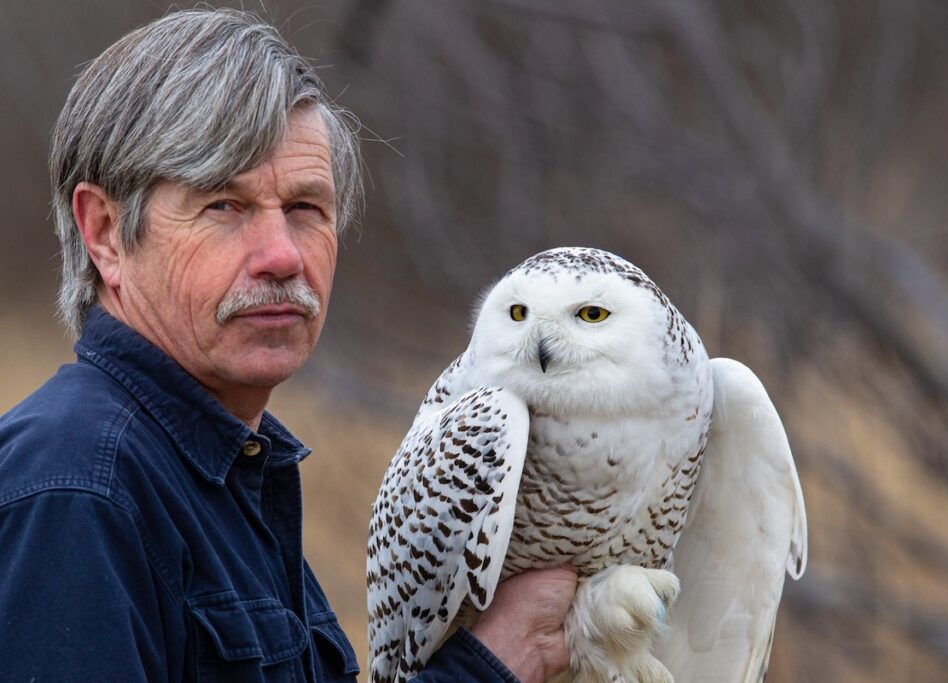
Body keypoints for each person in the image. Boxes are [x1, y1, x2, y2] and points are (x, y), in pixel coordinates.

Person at [0, 9, 577, 682]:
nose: (281, 255)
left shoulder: (226, 467)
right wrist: (489, 670)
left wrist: (509, 647)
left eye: (306, 208)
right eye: (224, 205)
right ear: (104, 233)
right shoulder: (77, 491)